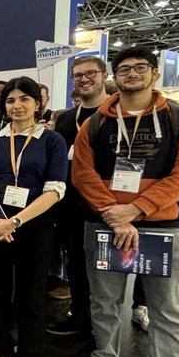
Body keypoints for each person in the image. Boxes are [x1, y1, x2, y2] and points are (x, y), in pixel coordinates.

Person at [71, 47, 179, 357]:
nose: (132, 74)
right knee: (104, 301)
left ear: (155, 73)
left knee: (169, 309)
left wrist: (137, 208)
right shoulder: (96, 123)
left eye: (140, 67)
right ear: (115, 77)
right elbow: (83, 173)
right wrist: (115, 215)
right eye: (124, 69)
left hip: (164, 227)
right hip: (105, 224)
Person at [0, 77, 67, 357]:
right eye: (11, 100)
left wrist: (15, 222)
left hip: (34, 227)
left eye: (24, 99)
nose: (17, 105)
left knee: (31, 296)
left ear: (38, 103)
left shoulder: (51, 141)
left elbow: (55, 190)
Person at [47, 55, 108, 337]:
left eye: (91, 73)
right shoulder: (65, 120)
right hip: (71, 206)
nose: (84, 79)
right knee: (76, 263)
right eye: (78, 75)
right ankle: (80, 316)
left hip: (106, 206)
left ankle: (105, 325)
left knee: (105, 269)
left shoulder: (116, 114)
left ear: (104, 76)